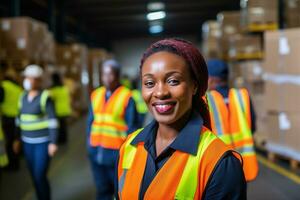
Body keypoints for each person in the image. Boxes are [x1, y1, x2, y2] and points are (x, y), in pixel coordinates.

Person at [116, 38, 246, 199]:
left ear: (194, 86)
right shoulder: (129, 146)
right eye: (149, 83)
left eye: (173, 81)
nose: (160, 92)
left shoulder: (219, 163)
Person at [87, 59, 138, 200]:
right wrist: (89, 145)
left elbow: (132, 127)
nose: (107, 78)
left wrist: (128, 153)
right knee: (101, 190)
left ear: (118, 76)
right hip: (96, 152)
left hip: (116, 153)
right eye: (104, 74)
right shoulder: (95, 94)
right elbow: (90, 122)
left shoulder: (127, 96)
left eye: (111, 74)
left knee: (119, 192)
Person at [206, 58, 258, 182]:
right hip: (244, 163)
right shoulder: (242, 96)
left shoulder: (206, 100)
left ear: (211, 79)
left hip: (218, 165)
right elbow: (253, 126)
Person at [16, 64, 58, 200]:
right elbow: (19, 119)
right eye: (26, 77)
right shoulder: (22, 96)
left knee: (40, 175)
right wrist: (17, 139)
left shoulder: (45, 97)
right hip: (27, 143)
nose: (27, 80)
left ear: (38, 80)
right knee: (34, 176)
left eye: (30, 77)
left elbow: (52, 121)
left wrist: (53, 142)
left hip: (42, 143)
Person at [0, 69, 23, 170]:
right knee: (15, 141)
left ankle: (11, 165)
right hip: (18, 118)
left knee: (8, 142)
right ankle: (15, 163)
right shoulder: (18, 88)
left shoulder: (4, 86)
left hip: (8, 119)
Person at [49, 72, 72, 144]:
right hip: (65, 110)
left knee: (57, 127)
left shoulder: (53, 90)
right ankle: (64, 140)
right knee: (63, 127)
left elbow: (49, 99)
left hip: (57, 111)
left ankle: (59, 140)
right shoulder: (64, 88)